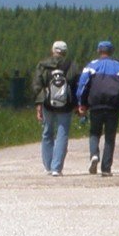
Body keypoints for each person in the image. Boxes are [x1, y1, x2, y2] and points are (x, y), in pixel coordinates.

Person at [75, 39, 119, 176]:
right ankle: (106, 168)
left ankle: (94, 155)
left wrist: (82, 104)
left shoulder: (91, 66)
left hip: (95, 104)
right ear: (111, 51)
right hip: (113, 105)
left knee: (94, 132)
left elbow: (82, 86)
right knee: (110, 136)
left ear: (98, 51)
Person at [34, 40, 78, 175]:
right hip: (65, 105)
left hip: (47, 103)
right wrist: (76, 104)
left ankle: (48, 166)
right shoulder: (72, 65)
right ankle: (56, 168)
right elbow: (76, 85)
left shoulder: (43, 65)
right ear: (64, 52)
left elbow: (37, 86)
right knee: (62, 134)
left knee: (47, 132)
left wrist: (39, 104)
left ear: (53, 50)